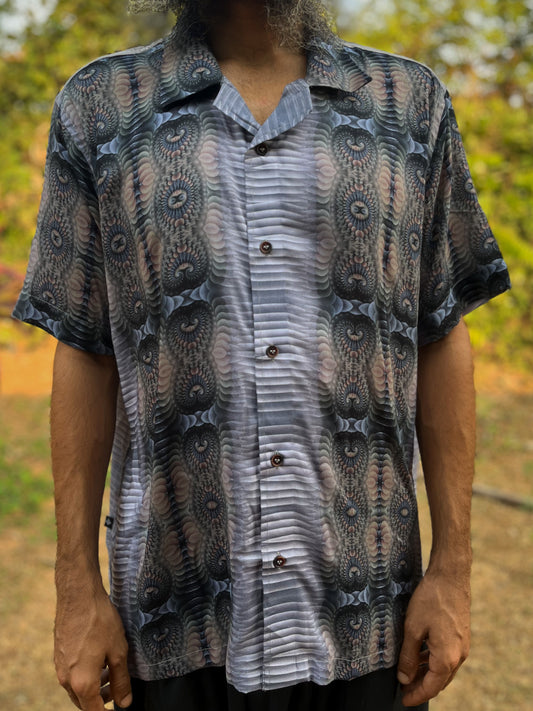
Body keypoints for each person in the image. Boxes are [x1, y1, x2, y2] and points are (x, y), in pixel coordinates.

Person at [13, 0, 511, 710]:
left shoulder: (408, 105)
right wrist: (76, 587)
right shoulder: (101, 107)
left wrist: (452, 571)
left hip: (369, 618)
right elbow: (85, 348)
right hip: (173, 613)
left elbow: (439, 333)